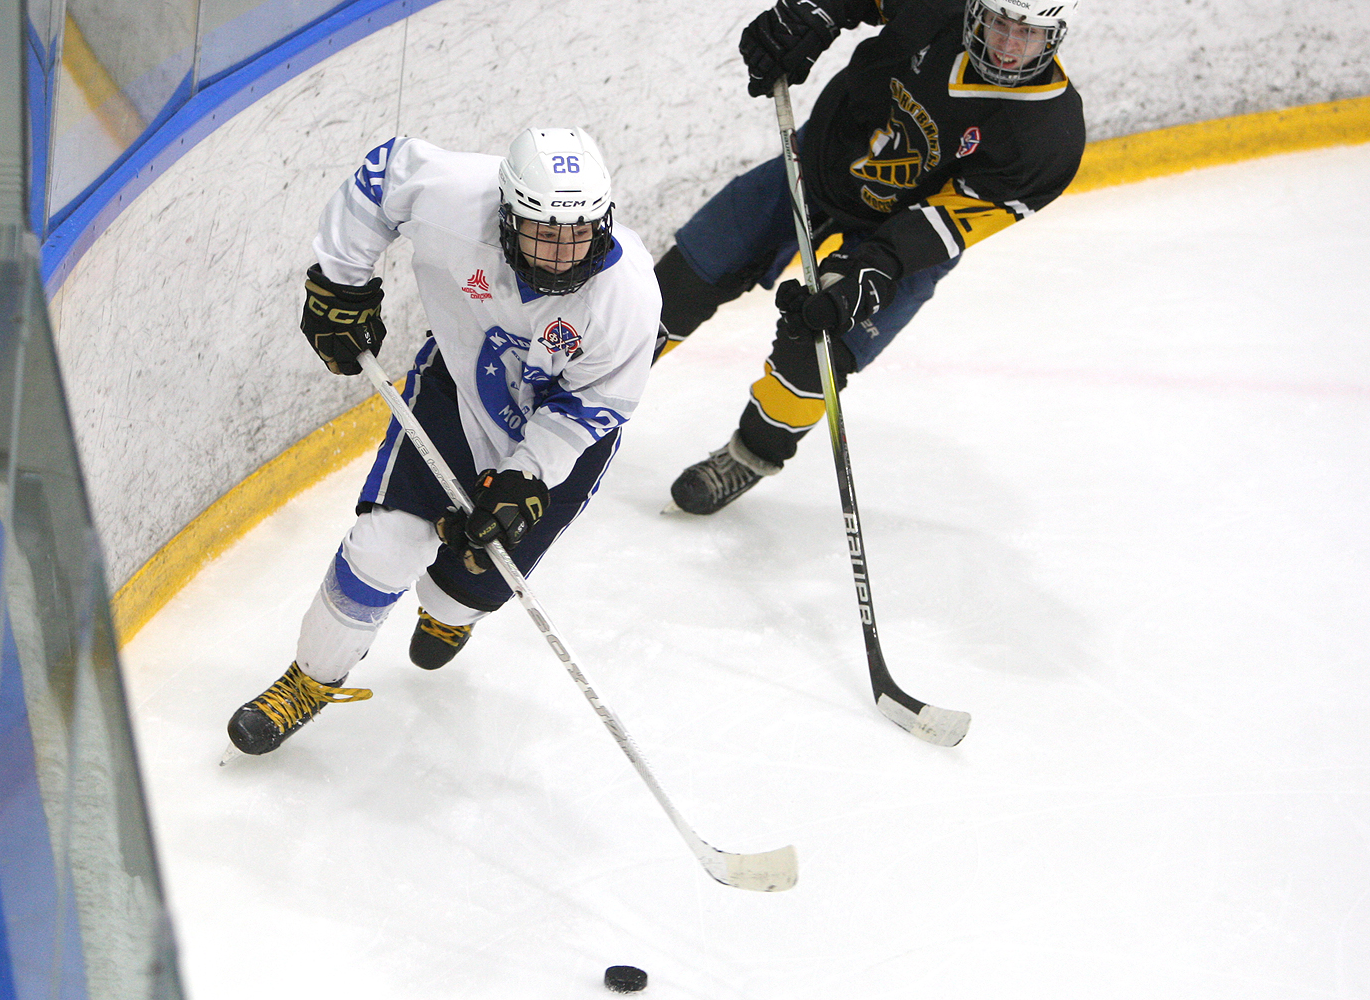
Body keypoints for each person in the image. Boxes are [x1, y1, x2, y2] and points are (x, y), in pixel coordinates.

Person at [227, 127, 661, 755]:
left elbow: (598, 403)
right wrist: (344, 283)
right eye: (543, 231)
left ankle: (450, 609)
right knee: (383, 548)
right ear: (508, 214)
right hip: (456, 394)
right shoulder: (457, 197)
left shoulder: (627, 295)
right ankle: (309, 679)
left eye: (580, 231)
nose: (565, 252)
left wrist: (526, 476)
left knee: (469, 587)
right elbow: (380, 176)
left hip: (558, 439)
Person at [659, 0, 1085, 514]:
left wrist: (870, 273)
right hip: (817, 168)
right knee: (678, 284)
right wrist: (813, 14)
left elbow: (950, 220)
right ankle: (585, 390)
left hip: (899, 240)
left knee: (815, 353)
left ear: (1055, 34)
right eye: (1000, 23)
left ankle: (749, 456)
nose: (1010, 45)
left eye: (1030, 33)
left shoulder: (1047, 137)